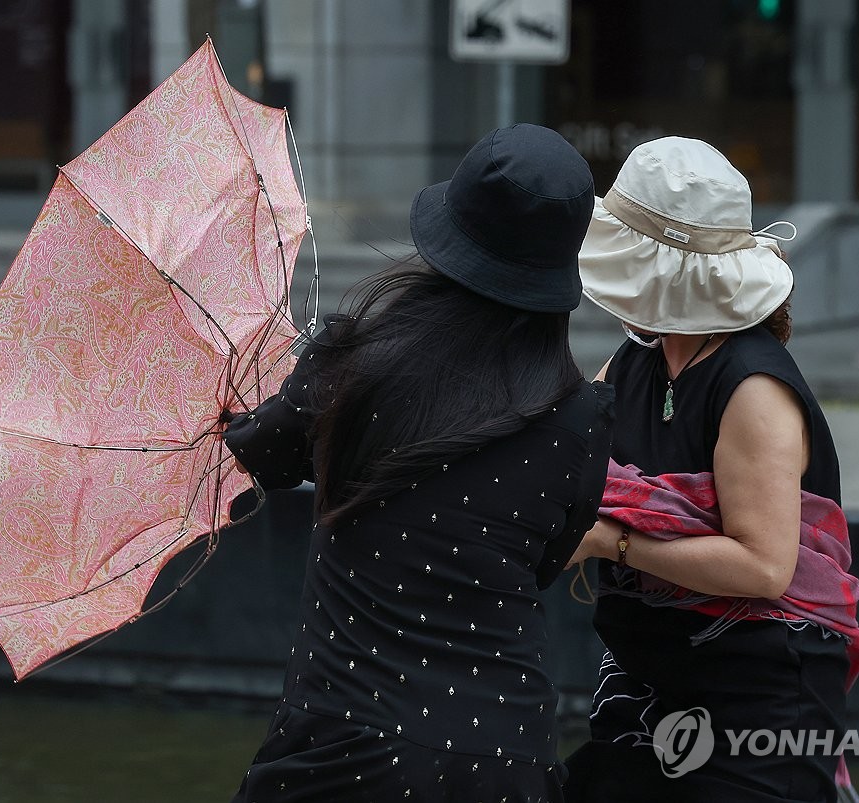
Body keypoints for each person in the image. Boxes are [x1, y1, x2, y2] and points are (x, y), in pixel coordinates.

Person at [225, 123, 614, 802]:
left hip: (346, 743)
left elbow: (266, 453)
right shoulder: (582, 420)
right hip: (504, 759)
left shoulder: (352, 362)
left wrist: (247, 406)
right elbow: (546, 560)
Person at [562, 137, 859, 802]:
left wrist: (612, 540)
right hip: (649, 674)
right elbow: (570, 460)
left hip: (755, 694)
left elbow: (764, 567)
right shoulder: (638, 359)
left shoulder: (752, 387)